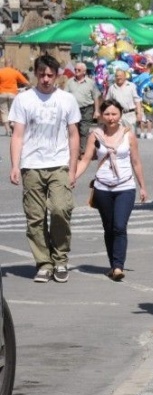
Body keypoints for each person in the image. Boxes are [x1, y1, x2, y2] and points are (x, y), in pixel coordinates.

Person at [8, 55, 80, 283]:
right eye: (42, 74)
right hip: (31, 165)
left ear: (57, 75)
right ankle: (44, 263)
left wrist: (73, 168)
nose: (46, 79)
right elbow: (17, 135)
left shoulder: (67, 99)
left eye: (50, 74)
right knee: (35, 218)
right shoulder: (24, 100)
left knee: (60, 209)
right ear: (35, 74)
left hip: (59, 164)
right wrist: (15, 166)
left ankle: (60, 259)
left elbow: (73, 134)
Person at [72, 100, 147, 281]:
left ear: (120, 115)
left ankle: (118, 266)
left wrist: (142, 186)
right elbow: (85, 159)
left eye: (114, 114)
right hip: (102, 187)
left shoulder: (129, 136)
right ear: (101, 115)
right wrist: (72, 176)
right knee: (108, 227)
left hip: (125, 186)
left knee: (119, 226)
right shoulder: (95, 135)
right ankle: (113, 265)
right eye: (107, 114)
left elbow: (136, 162)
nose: (111, 118)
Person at [63, 62, 101, 156]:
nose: (76, 71)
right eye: (75, 69)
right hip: (73, 110)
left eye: (78, 70)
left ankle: (83, 151)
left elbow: (96, 97)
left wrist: (96, 110)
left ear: (84, 72)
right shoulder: (70, 82)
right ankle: (76, 149)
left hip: (86, 109)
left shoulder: (90, 83)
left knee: (84, 130)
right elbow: (64, 96)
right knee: (74, 130)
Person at [0, 57, 29, 137]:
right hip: (13, 94)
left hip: (2, 93)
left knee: (4, 112)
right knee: (13, 110)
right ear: (11, 64)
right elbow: (26, 82)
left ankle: (8, 130)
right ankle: (12, 123)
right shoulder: (15, 72)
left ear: (4, 64)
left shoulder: (0, 72)